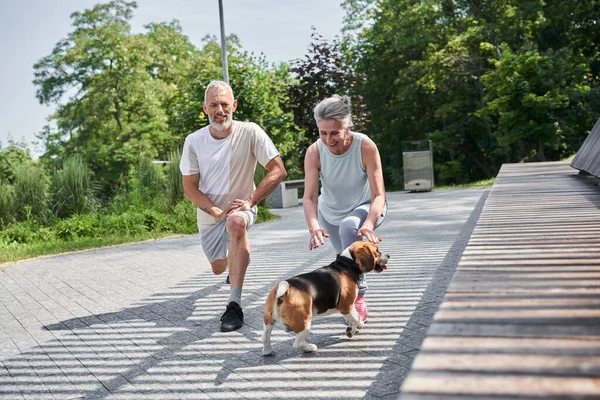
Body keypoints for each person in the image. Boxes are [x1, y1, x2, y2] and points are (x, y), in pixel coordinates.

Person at [180, 80, 287, 332]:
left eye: (225, 104)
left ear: (234, 105)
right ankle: (233, 264)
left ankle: (234, 304)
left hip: (241, 205)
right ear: (205, 108)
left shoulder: (250, 132)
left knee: (237, 223)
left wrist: (250, 200)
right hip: (210, 212)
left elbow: (278, 170)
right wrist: (215, 212)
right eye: (214, 104)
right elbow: (190, 189)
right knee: (218, 268)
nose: (220, 110)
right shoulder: (194, 141)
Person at [302, 94, 386, 322]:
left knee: (350, 227)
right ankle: (350, 298)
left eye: (335, 133)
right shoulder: (314, 152)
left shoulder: (365, 146)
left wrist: (369, 223)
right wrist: (314, 226)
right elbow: (309, 198)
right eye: (323, 133)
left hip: (366, 207)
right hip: (330, 215)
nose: (328, 139)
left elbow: (379, 195)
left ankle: (360, 296)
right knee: (346, 265)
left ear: (347, 127)